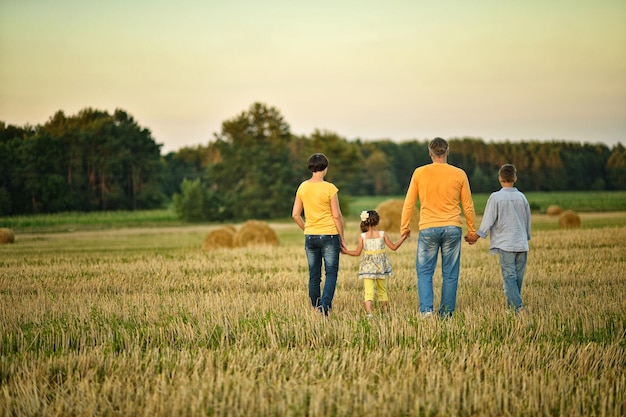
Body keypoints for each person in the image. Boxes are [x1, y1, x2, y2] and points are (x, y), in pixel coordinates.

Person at [400, 137, 476, 317]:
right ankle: (446, 313)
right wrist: (472, 231)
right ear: (447, 152)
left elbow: (409, 202)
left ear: (430, 153)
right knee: (450, 273)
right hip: (452, 227)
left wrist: (404, 226)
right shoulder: (459, 174)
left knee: (424, 272)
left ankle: (426, 311)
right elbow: (468, 205)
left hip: (428, 228)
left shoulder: (419, 173)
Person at [466, 164, 531, 313]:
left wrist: (476, 235)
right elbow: (527, 220)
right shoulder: (522, 197)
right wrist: (525, 237)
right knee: (517, 277)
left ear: (499, 178)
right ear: (515, 178)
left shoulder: (496, 197)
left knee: (509, 276)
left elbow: (488, 219)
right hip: (521, 243)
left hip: (505, 243)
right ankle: (512, 307)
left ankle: (518, 307)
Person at [292, 153, 347, 316]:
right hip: (330, 235)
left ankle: (315, 307)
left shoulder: (302, 187)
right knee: (330, 273)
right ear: (325, 168)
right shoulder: (330, 188)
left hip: (310, 236)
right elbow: (337, 215)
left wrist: (307, 229)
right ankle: (325, 307)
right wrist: (342, 238)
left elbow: (295, 214)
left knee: (314, 274)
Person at [342, 210, 410, 318]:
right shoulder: (382, 234)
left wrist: (346, 252)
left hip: (368, 267)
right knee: (382, 290)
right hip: (380, 267)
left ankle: (369, 314)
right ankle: (385, 313)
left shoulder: (363, 236)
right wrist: (404, 237)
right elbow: (394, 247)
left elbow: (357, 253)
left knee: (368, 291)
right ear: (377, 222)